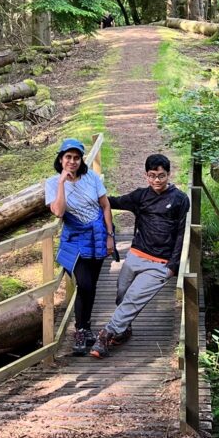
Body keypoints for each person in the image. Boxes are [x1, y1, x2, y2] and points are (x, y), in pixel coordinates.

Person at [90, 153, 189, 359]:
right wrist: (86, 196)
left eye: (161, 176)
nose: (156, 180)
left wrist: (173, 265)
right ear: (146, 175)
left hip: (160, 263)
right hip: (136, 254)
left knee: (134, 297)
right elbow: (112, 202)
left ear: (168, 174)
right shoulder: (141, 196)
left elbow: (182, 233)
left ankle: (106, 334)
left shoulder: (180, 199)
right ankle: (124, 329)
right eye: (152, 176)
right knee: (122, 293)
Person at [45, 138, 115, 356]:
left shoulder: (92, 178)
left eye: (76, 158)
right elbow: (58, 211)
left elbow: (105, 206)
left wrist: (110, 236)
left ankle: (85, 329)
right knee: (83, 284)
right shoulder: (51, 183)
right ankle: (80, 329)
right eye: (68, 157)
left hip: (97, 236)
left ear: (81, 160)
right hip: (75, 239)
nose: (72, 162)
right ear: (60, 158)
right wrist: (61, 184)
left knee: (91, 285)